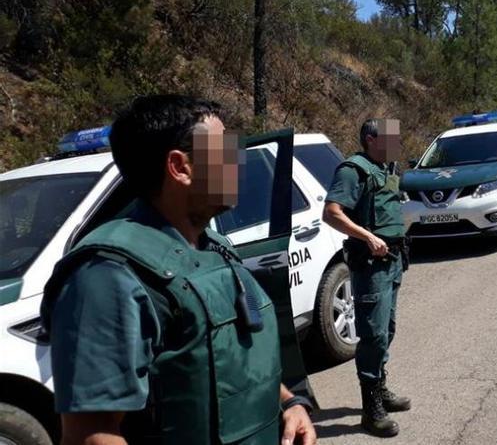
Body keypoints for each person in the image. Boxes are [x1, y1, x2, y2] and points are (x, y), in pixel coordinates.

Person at [40, 95, 317, 445]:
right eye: (225, 152)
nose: (238, 163)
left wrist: (289, 403)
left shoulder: (215, 246)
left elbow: (230, 359)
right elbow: (91, 435)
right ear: (180, 167)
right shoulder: (106, 276)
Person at [323, 119, 411, 438]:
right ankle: (370, 409)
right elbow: (332, 212)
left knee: (386, 329)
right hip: (371, 266)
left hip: (393, 260)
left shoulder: (387, 167)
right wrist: (368, 238)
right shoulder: (353, 170)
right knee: (372, 334)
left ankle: (381, 389)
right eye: (390, 138)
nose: (397, 142)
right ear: (372, 139)